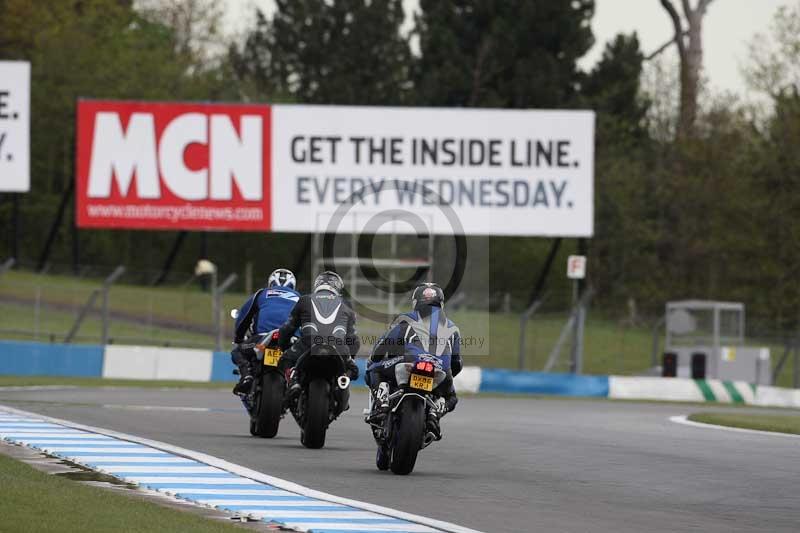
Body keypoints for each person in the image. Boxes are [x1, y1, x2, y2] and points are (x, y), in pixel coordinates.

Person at [366, 282, 462, 439]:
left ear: (416, 302)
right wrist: (447, 375)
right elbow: (457, 363)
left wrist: (375, 358)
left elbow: (384, 345)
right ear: (441, 303)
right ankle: (434, 413)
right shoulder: (453, 328)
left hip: (409, 363)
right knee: (451, 397)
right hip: (439, 370)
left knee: (374, 368)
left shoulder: (405, 318)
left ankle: (382, 403)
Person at [277, 271, 360, 399]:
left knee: (284, 360)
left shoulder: (304, 299)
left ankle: (294, 382)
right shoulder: (346, 303)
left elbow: (288, 328)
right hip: (338, 346)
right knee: (352, 369)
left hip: (307, 343)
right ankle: (342, 383)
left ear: (317, 285)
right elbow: (353, 338)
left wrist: (282, 346)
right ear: (338, 287)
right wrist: (349, 357)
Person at [231, 268, 299, 395]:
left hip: (262, 339)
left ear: (271, 282)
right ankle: (295, 380)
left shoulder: (262, 293)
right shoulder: (300, 298)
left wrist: (238, 338)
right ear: (293, 285)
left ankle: (247, 375)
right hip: (290, 340)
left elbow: (244, 317)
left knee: (238, 351)